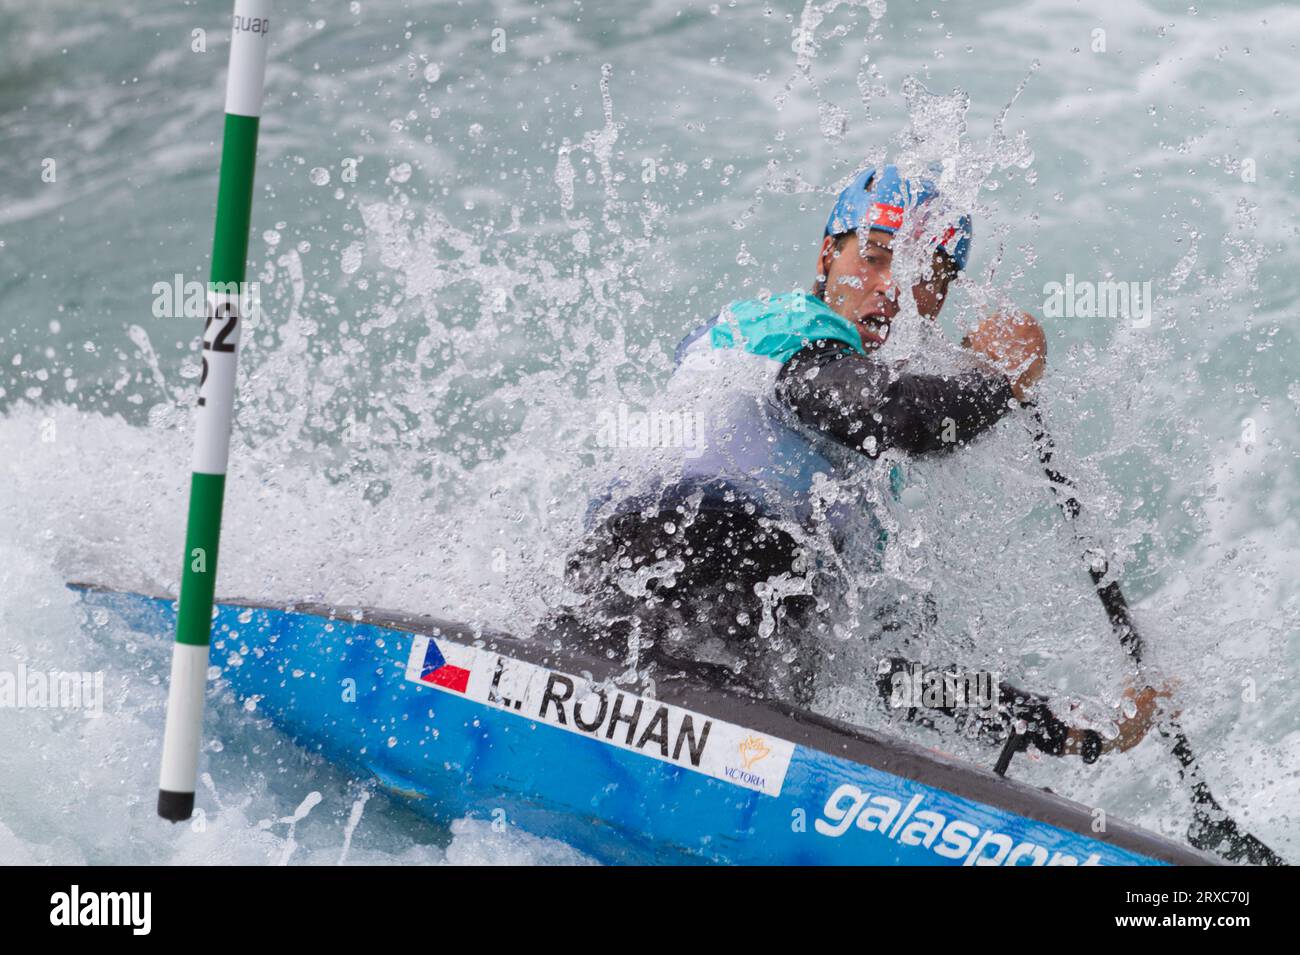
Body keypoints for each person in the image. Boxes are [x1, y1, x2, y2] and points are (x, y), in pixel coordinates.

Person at [543, 163, 1162, 763]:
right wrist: (999, 380)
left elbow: (892, 668)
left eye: (926, 276)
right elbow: (892, 414)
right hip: (649, 578)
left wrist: (1067, 727)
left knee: (816, 632)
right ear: (825, 259)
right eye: (872, 258)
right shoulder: (782, 330)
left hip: (743, 658)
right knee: (761, 560)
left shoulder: (867, 477)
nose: (893, 288)